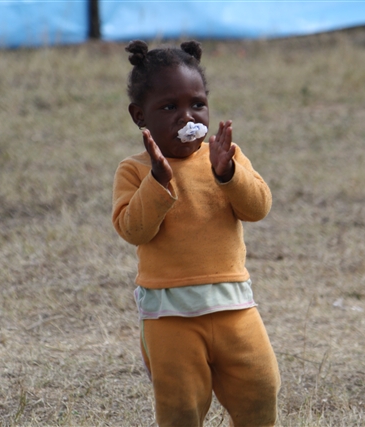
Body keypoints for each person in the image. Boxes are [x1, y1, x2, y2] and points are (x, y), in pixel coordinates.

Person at [111, 40, 280, 427]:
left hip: (234, 307)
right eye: (169, 107)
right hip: (169, 317)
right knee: (181, 409)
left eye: (197, 104)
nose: (186, 116)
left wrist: (228, 175)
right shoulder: (135, 171)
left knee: (261, 388)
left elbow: (258, 208)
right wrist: (157, 183)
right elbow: (132, 229)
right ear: (140, 115)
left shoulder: (225, 156)